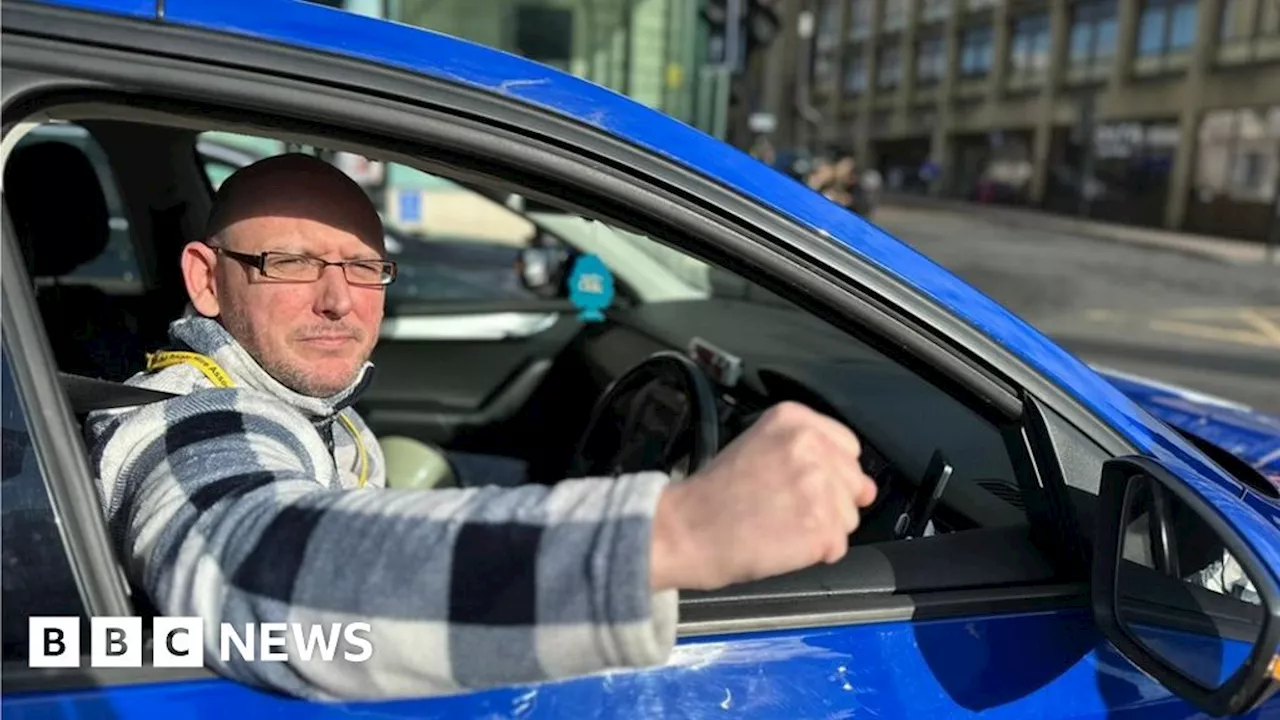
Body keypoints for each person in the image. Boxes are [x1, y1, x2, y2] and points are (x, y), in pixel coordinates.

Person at [84, 153, 877, 701]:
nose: (338, 300)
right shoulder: (187, 417)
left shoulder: (303, 402)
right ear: (205, 280)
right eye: (291, 264)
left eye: (364, 267)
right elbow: (252, 564)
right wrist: (675, 534)